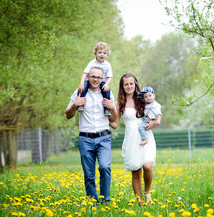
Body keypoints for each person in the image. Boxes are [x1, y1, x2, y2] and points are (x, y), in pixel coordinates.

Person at [66, 67, 117, 203]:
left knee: (105, 167)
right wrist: (75, 105)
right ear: (88, 77)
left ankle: (105, 200)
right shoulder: (79, 92)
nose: (95, 79)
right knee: (89, 174)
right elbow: (68, 115)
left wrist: (112, 107)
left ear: (103, 79)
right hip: (85, 138)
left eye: (98, 77)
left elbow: (113, 120)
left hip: (104, 137)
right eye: (93, 76)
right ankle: (92, 202)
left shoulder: (108, 94)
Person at [110, 73, 161, 205]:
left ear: (135, 84)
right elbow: (115, 124)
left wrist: (154, 123)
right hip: (131, 139)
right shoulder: (119, 103)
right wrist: (104, 117)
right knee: (136, 172)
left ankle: (147, 193)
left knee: (148, 166)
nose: (129, 86)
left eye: (131, 83)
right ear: (122, 86)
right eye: (126, 84)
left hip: (145, 135)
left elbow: (156, 111)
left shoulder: (143, 99)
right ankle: (140, 203)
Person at [77, 42, 113, 116]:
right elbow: (85, 73)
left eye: (104, 53)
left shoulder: (108, 65)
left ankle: (107, 109)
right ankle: (80, 104)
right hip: (91, 81)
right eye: (99, 52)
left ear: (107, 55)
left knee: (107, 92)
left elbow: (110, 76)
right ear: (95, 54)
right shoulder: (92, 63)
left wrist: (107, 84)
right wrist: (81, 83)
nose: (102, 54)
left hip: (102, 82)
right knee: (83, 87)